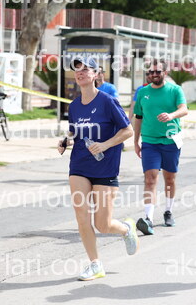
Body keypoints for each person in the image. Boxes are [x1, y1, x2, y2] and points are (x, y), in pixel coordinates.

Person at [57, 57, 138, 281]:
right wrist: (66, 140)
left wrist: (105, 144)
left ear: (96, 74)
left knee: (103, 224)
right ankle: (95, 264)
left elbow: (128, 131)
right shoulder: (74, 105)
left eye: (86, 69)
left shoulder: (108, 101)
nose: (81, 72)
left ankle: (125, 229)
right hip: (79, 165)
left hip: (105, 168)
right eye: (77, 69)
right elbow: (75, 131)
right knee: (81, 215)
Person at [133, 59, 188, 233]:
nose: (154, 74)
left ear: (165, 72)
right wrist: (135, 141)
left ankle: (168, 211)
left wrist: (172, 115)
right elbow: (138, 117)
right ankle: (148, 218)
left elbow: (184, 109)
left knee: (170, 179)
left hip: (171, 141)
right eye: (150, 72)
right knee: (150, 179)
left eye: (157, 71)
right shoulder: (143, 92)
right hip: (150, 142)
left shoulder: (175, 90)